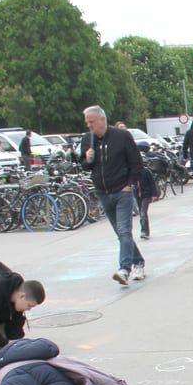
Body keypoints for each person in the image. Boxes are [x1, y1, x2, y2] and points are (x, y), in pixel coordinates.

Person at [81, 105, 146, 284]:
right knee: (120, 232)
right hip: (103, 192)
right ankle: (138, 261)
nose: (89, 126)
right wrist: (87, 158)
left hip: (121, 191)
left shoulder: (121, 137)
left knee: (125, 230)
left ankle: (124, 269)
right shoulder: (88, 140)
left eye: (92, 122)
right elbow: (84, 165)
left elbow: (136, 162)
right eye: (87, 122)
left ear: (102, 120)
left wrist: (129, 183)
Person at [133, 162, 159, 240]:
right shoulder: (132, 173)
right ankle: (144, 230)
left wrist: (154, 194)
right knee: (141, 213)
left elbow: (152, 183)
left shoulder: (146, 171)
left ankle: (144, 231)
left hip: (146, 195)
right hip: (137, 195)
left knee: (143, 213)